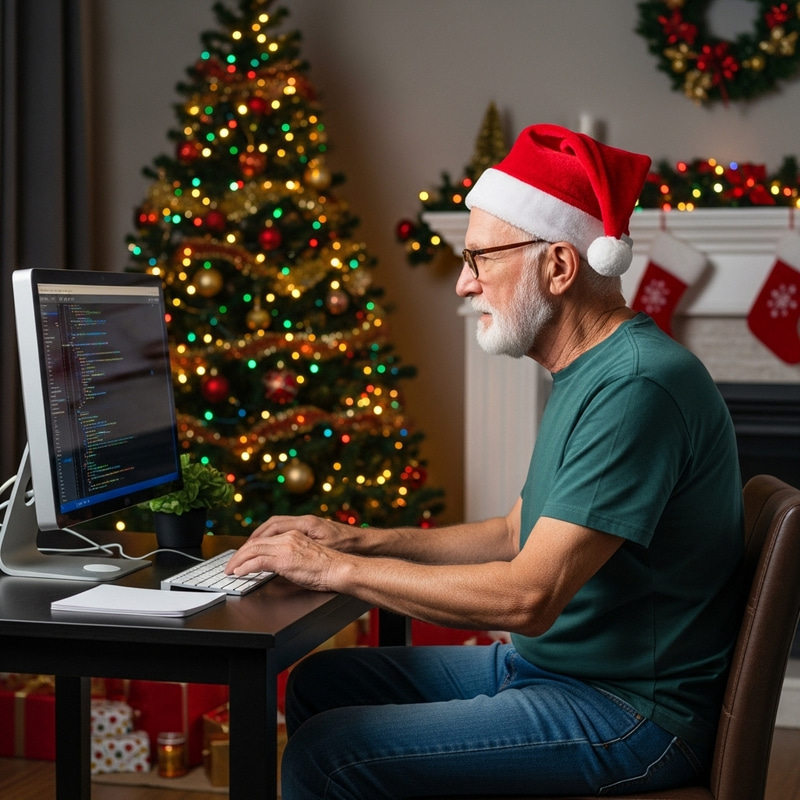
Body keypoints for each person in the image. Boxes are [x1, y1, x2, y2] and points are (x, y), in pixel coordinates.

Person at [225, 124, 745, 799]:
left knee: (328, 754)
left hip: (629, 712)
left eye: (480, 259)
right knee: (322, 683)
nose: (463, 284)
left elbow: (528, 597)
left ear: (559, 267)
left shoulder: (636, 386)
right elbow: (511, 533)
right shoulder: (590, 371)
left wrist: (333, 569)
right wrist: (356, 539)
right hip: (558, 673)